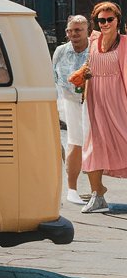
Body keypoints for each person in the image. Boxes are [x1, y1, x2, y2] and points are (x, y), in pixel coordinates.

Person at [69, 2, 127, 213]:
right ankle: (97, 194)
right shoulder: (93, 41)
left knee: (124, 140)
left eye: (109, 19)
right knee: (93, 146)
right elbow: (90, 66)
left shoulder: (125, 44)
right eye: (101, 20)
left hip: (118, 100)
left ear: (117, 20)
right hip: (95, 100)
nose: (104, 23)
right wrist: (83, 75)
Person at [52, 15, 91, 205]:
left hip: (92, 101)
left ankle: (96, 190)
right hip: (68, 100)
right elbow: (52, 75)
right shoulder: (60, 50)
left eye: (78, 30)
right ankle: (72, 189)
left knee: (94, 143)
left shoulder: (95, 48)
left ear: (87, 31)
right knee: (74, 142)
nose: (73, 34)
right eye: (70, 30)